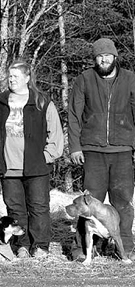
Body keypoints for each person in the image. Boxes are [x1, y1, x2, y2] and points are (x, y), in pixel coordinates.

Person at [0, 59, 64, 258]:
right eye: (10, 76)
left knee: (38, 207)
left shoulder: (41, 101)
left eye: (16, 76)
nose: (11, 80)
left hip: (36, 166)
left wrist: (47, 156)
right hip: (8, 166)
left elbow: (55, 131)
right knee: (15, 209)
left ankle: (40, 246)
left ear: (27, 78)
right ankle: (21, 245)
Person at [68, 38, 135, 260]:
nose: (103, 59)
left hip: (122, 150)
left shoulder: (130, 79)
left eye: (107, 55)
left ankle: (124, 246)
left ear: (115, 57)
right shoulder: (84, 79)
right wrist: (75, 147)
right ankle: (84, 248)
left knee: (123, 202)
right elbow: (74, 115)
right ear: (94, 59)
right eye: (99, 56)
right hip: (92, 150)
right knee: (88, 202)